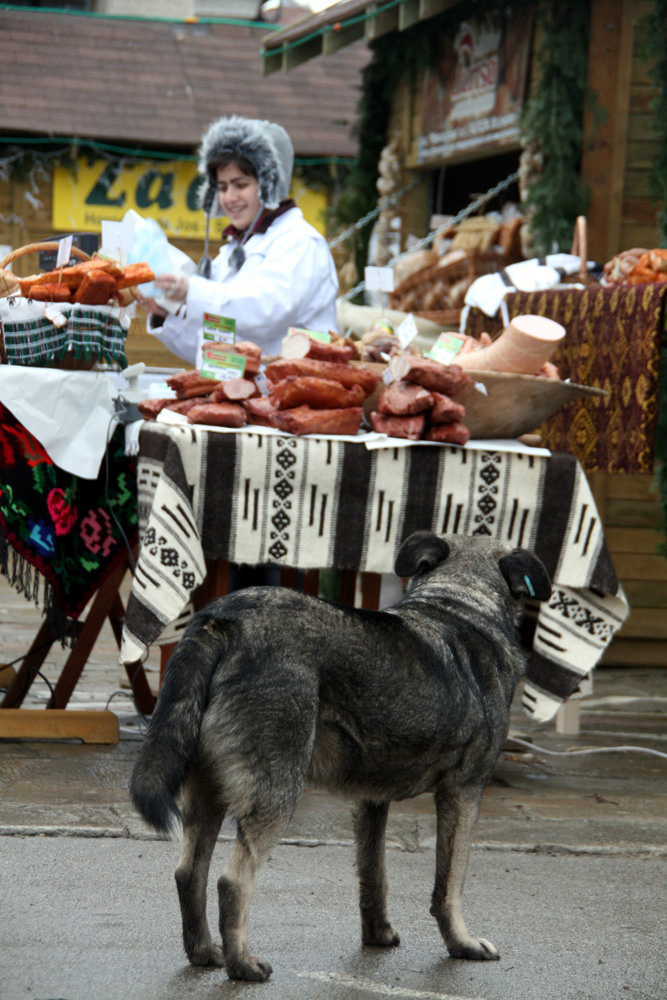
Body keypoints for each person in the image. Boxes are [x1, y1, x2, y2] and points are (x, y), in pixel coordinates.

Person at [138, 115, 339, 364]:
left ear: (269, 185)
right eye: (222, 188)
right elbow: (214, 351)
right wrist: (167, 315)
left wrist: (189, 290)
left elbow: (264, 311)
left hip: (299, 396)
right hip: (241, 396)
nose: (229, 197)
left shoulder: (301, 242)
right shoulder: (232, 253)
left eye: (240, 185)